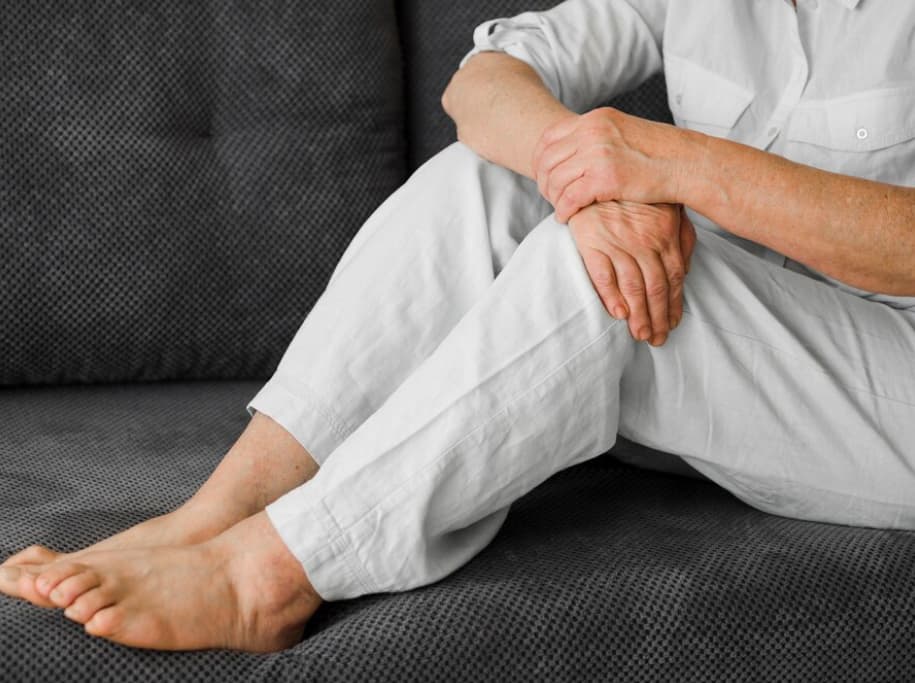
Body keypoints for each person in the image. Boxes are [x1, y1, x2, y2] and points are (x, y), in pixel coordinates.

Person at [2, 0, 915, 653]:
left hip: (896, 399)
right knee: (482, 181)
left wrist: (665, 162)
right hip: (748, 372)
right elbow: (486, 81)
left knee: (581, 273)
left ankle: (268, 575)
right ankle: (220, 510)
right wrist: (586, 186)